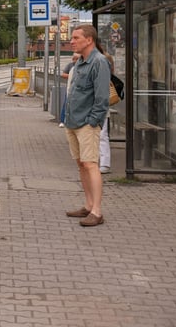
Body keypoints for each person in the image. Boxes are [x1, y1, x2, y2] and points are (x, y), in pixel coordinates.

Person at [63, 24, 110, 227]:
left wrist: (92, 122)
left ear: (89, 40)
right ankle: (88, 205)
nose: (71, 41)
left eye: (76, 38)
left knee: (91, 164)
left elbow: (102, 98)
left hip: (86, 124)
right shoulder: (80, 62)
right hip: (73, 122)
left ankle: (97, 212)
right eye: (72, 38)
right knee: (81, 164)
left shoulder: (99, 62)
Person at [95, 39, 115, 174]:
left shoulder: (103, 59)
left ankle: (104, 163)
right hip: (94, 102)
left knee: (102, 134)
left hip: (100, 102)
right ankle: (99, 162)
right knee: (98, 134)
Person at [59, 53, 80, 127]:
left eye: (77, 59)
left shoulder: (82, 65)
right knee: (66, 104)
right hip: (70, 88)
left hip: (79, 89)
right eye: (74, 58)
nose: (75, 60)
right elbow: (63, 74)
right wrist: (72, 76)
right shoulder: (70, 65)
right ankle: (63, 120)